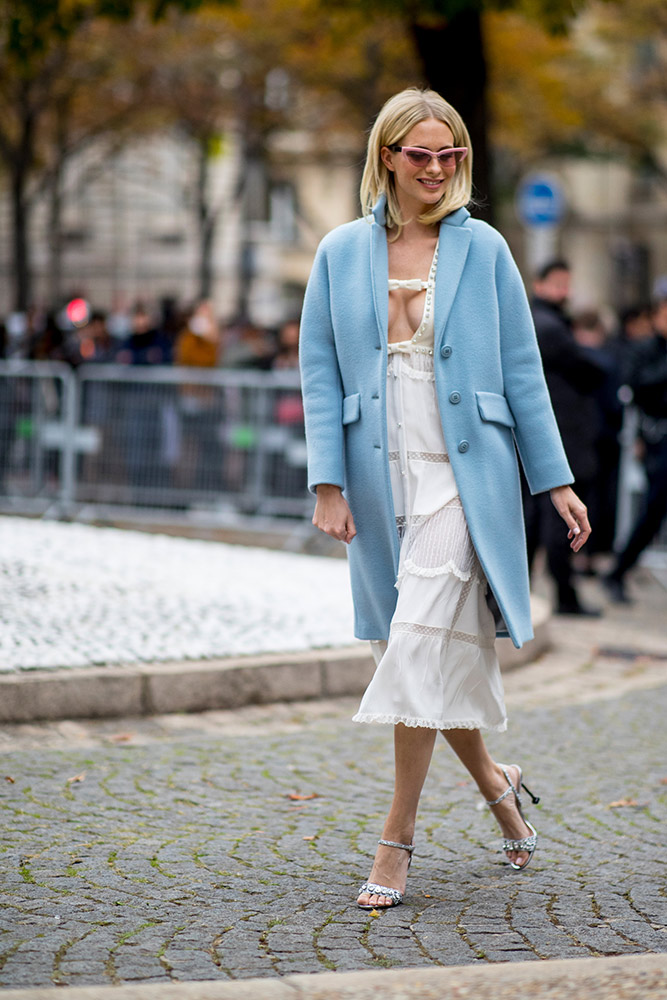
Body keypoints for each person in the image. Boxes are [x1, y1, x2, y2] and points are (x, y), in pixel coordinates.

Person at [299, 88, 591, 910]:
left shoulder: (486, 249)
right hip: (374, 470)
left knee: (418, 640)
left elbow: (523, 371)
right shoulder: (339, 252)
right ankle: (501, 791)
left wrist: (555, 478)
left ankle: (394, 842)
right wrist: (326, 481)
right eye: (421, 154)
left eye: (449, 155)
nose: (436, 170)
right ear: (387, 156)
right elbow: (319, 374)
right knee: (421, 649)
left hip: (467, 478)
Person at [526, 261, 606, 615]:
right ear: (538, 284)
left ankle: (520, 595)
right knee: (561, 519)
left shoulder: (542, 320)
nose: (564, 291)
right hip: (560, 438)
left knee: (538, 518)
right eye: (557, 284)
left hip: (553, 436)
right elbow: (590, 369)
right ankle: (564, 596)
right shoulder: (548, 326)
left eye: (566, 284)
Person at [603, 298, 667, 602]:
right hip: (655, 440)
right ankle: (618, 570)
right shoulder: (642, 350)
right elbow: (634, 387)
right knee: (652, 510)